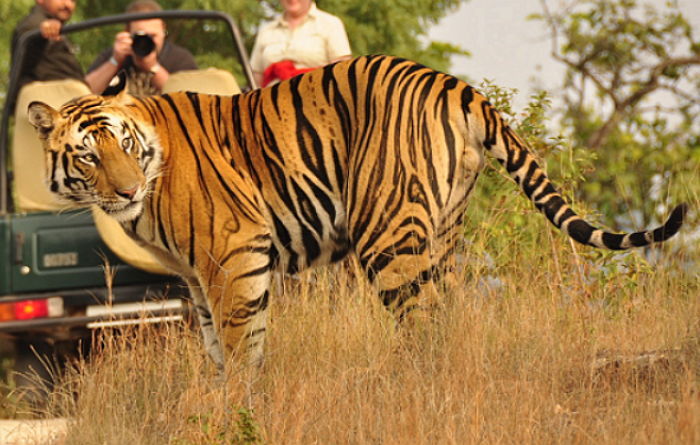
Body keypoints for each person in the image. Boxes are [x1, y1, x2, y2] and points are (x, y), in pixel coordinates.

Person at [85, 0, 197, 96]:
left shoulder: (181, 58)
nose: (146, 42)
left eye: (153, 36)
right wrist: (115, 61)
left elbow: (191, 100)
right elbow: (84, 94)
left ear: (163, 29)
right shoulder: (114, 55)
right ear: (127, 32)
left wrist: (153, 68)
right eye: (140, 36)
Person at [250, 0, 352, 87]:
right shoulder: (266, 30)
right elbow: (255, 79)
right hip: (271, 103)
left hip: (315, 102)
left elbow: (341, 74)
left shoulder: (330, 24)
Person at [11, 0, 85, 91]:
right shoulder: (33, 24)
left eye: (72, 1)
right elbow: (27, 52)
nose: (67, 4)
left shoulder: (59, 31)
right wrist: (43, 31)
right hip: (47, 95)